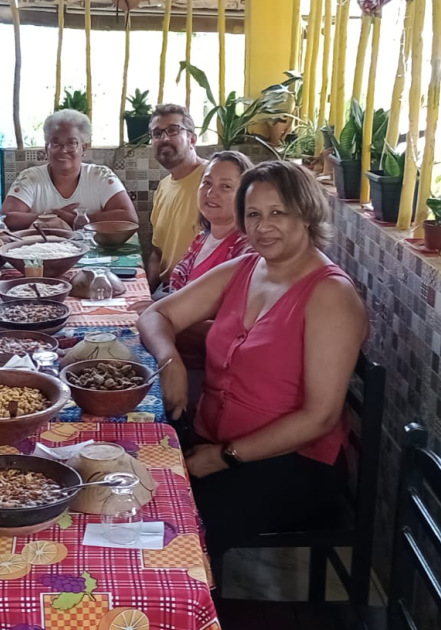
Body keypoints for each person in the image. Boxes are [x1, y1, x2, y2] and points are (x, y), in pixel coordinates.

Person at [137, 160, 367, 555]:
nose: (263, 227)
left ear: (308, 213)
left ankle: (183, 608)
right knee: (127, 485)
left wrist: (224, 458)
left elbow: (321, 417)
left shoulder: (331, 296)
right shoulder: (246, 267)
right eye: (254, 214)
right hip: (213, 437)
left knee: (170, 538)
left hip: (293, 462)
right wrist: (169, 359)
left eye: (278, 212)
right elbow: (156, 314)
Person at [0, 109, 138, 230]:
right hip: (43, 252)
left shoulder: (101, 176)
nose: (63, 150)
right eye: (55, 143)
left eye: (71, 143)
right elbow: (6, 218)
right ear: (46, 147)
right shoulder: (30, 177)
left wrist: (74, 219)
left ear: (83, 147)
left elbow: (129, 218)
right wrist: (50, 218)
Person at [166, 151, 254, 293]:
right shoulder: (203, 237)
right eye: (207, 183)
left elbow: (228, 311)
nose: (211, 193)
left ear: (246, 196)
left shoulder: (246, 251)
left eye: (225, 186)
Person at [147, 104, 207, 293]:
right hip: (167, 290)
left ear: (192, 139)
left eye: (173, 130)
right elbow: (158, 254)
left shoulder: (213, 182)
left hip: (200, 295)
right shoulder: (163, 187)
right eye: (157, 133)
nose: (164, 138)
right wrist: (146, 295)